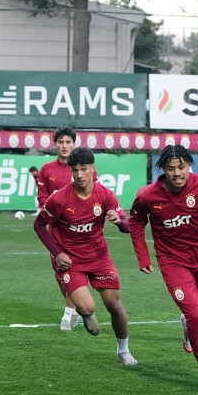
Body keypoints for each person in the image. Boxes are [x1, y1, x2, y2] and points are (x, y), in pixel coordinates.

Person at [129, 145, 198, 394]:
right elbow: (136, 221)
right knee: (197, 316)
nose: (177, 173)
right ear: (163, 170)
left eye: (181, 167)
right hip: (172, 263)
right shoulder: (148, 195)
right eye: (171, 168)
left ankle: (188, 326)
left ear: (189, 165)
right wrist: (143, 255)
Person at [33, 147, 137, 366]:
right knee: (87, 307)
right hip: (71, 261)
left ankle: (124, 351)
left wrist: (120, 222)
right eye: (75, 170)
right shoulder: (59, 199)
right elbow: (39, 224)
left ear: (92, 168)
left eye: (83, 169)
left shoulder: (105, 195)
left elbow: (129, 227)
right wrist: (57, 253)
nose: (79, 175)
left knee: (115, 306)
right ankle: (86, 315)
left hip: (99, 257)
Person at [36, 127, 83, 331]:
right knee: (59, 274)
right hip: (55, 229)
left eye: (68, 142)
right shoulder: (47, 169)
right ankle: (79, 308)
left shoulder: (82, 167)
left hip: (77, 230)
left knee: (70, 270)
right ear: (55, 144)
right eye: (61, 142)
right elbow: (42, 197)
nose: (64, 146)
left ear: (74, 144)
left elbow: (92, 193)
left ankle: (67, 316)